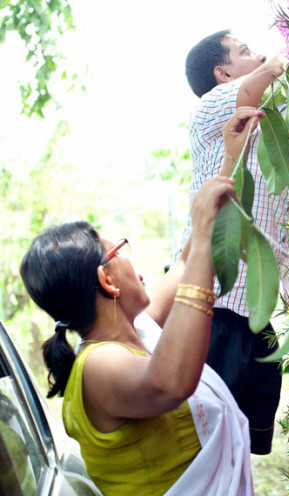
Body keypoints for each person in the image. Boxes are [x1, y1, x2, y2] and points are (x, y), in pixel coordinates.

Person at [19, 174, 253, 496]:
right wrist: (202, 241)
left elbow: (185, 265)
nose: (133, 262)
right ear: (107, 280)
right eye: (120, 251)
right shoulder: (97, 364)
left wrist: (231, 162)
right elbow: (169, 384)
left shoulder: (132, 329)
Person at [181, 29, 289, 455]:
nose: (259, 55)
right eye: (246, 52)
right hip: (216, 308)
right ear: (222, 72)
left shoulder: (268, 123)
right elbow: (252, 86)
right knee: (204, 446)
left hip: (257, 313)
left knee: (243, 444)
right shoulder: (212, 109)